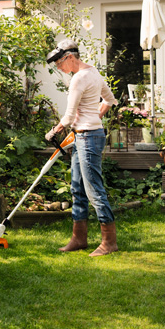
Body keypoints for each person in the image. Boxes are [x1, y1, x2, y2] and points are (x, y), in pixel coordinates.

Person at [45, 39, 119, 256]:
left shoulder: (78, 78)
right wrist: (93, 118)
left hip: (87, 139)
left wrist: (53, 131)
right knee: (77, 188)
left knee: (94, 190)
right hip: (84, 136)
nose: (59, 68)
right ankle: (79, 239)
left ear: (70, 57)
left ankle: (109, 242)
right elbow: (109, 100)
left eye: (59, 63)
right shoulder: (93, 72)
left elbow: (68, 116)